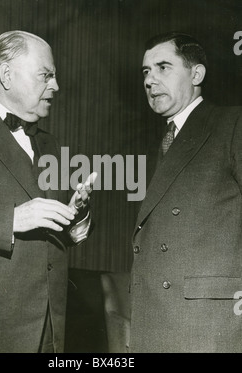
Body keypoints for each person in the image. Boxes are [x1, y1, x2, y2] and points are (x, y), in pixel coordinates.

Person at [0, 30, 96, 353]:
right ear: (6, 75)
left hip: (49, 328)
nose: (55, 86)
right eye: (46, 75)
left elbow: (59, 237)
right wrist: (13, 219)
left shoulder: (49, 143)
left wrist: (77, 213)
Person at [130, 31, 242, 353]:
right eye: (146, 72)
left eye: (163, 67)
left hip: (209, 325)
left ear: (196, 74)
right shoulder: (165, 141)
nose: (150, 80)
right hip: (160, 319)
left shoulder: (231, 123)